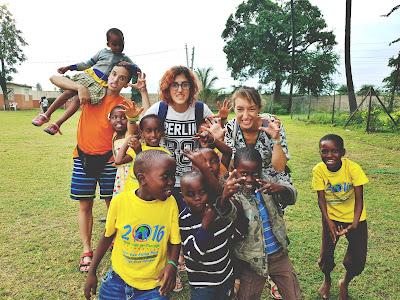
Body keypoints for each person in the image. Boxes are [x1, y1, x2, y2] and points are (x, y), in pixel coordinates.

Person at [49, 62, 146, 272]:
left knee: (113, 204)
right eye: (113, 74)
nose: (115, 79)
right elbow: (54, 79)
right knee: (85, 205)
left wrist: (141, 97)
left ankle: (114, 239)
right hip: (82, 157)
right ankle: (86, 250)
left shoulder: (123, 104)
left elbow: (141, 121)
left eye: (121, 78)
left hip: (110, 160)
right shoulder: (92, 93)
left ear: (126, 83)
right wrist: (80, 88)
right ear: (108, 74)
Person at [84, 150, 181, 300]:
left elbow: (175, 241)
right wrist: (92, 271)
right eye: (165, 176)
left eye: (173, 176)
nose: (171, 181)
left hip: (154, 287)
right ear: (142, 179)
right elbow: (107, 236)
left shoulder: (171, 204)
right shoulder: (120, 202)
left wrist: (172, 265)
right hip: (117, 282)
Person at [216, 147, 302, 300]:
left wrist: (280, 188)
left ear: (260, 170)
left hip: (279, 255)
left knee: (294, 295)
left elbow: (292, 196)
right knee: (248, 296)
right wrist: (224, 197)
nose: (249, 179)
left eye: (255, 173)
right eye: (244, 173)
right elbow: (226, 215)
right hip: (252, 261)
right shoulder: (232, 191)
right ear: (234, 170)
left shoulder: (267, 180)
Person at [31, 28, 137, 135]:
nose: (118, 47)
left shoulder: (125, 59)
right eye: (115, 44)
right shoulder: (102, 53)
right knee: (68, 92)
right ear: (108, 44)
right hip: (89, 77)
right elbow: (86, 64)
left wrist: (136, 71)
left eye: (121, 44)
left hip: (99, 85)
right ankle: (46, 115)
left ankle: (57, 123)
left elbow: (135, 68)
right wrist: (69, 67)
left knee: (78, 100)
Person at [179, 149, 248, 299]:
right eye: (190, 194)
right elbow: (194, 255)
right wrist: (205, 225)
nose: (197, 198)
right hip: (203, 285)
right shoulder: (185, 220)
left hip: (225, 279)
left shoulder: (216, 211)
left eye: (202, 192)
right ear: (183, 197)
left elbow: (233, 233)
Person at [312, 134, 369, 300]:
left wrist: (355, 224)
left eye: (334, 151)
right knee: (326, 255)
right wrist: (328, 222)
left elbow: (360, 199)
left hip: (355, 218)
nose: (329, 155)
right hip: (332, 218)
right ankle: (327, 280)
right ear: (320, 152)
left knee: (358, 260)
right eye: (324, 151)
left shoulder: (353, 168)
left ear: (343, 152)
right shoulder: (319, 170)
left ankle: (344, 282)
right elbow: (321, 198)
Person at [115, 114, 170, 192]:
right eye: (148, 131)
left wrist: (139, 152)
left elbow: (151, 171)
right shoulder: (140, 147)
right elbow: (118, 161)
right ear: (142, 134)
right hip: (130, 192)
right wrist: (128, 140)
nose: (153, 135)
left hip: (147, 195)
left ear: (162, 133)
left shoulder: (164, 154)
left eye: (157, 130)